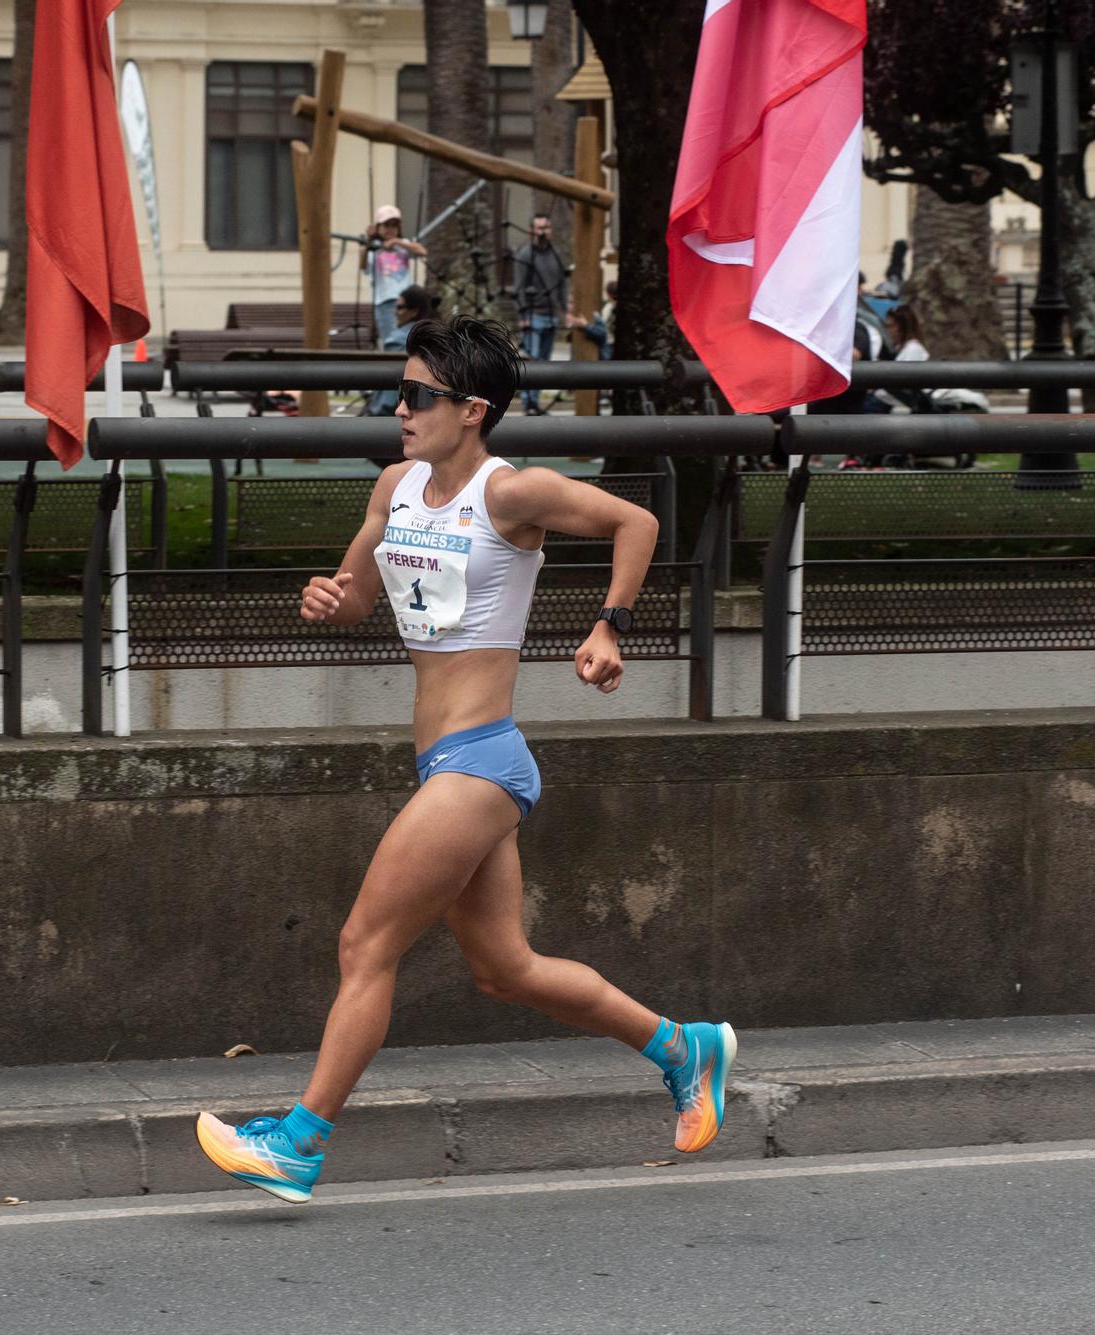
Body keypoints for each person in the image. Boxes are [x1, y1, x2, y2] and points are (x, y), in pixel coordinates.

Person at [193, 316, 738, 1205]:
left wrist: (611, 625)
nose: (399, 410)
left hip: (482, 761)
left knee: (365, 942)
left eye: (417, 396)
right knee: (505, 970)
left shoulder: (510, 494)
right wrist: (327, 599)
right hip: (443, 759)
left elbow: (635, 521)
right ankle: (686, 1048)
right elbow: (358, 596)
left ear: (472, 410)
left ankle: (300, 1140)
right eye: (398, 393)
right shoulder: (395, 487)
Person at [511, 213, 569, 414]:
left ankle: (534, 402)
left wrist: (564, 310)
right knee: (532, 361)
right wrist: (523, 315)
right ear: (531, 230)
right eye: (539, 228)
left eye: (546, 228)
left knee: (544, 361)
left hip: (551, 314)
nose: (543, 232)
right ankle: (529, 404)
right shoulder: (525, 254)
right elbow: (518, 287)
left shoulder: (556, 254)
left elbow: (562, 284)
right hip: (533, 314)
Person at [364, 284, 437, 417]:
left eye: (400, 307)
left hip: (394, 415)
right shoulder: (434, 335)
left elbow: (389, 390)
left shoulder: (397, 340)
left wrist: (374, 413)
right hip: (428, 411)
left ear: (414, 311)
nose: (395, 312)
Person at [364, 205, 426, 344]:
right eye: (386, 225)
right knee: (391, 339)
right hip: (384, 301)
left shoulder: (402, 245)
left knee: (410, 338)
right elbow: (363, 266)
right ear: (378, 227)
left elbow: (422, 251)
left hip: (406, 301)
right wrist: (368, 241)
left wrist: (397, 241)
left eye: (394, 225)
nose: (390, 229)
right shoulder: (374, 248)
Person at [565, 279, 617, 361]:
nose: (569, 306)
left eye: (571, 302)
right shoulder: (574, 317)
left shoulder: (594, 315)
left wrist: (586, 325)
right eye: (568, 302)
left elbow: (603, 334)